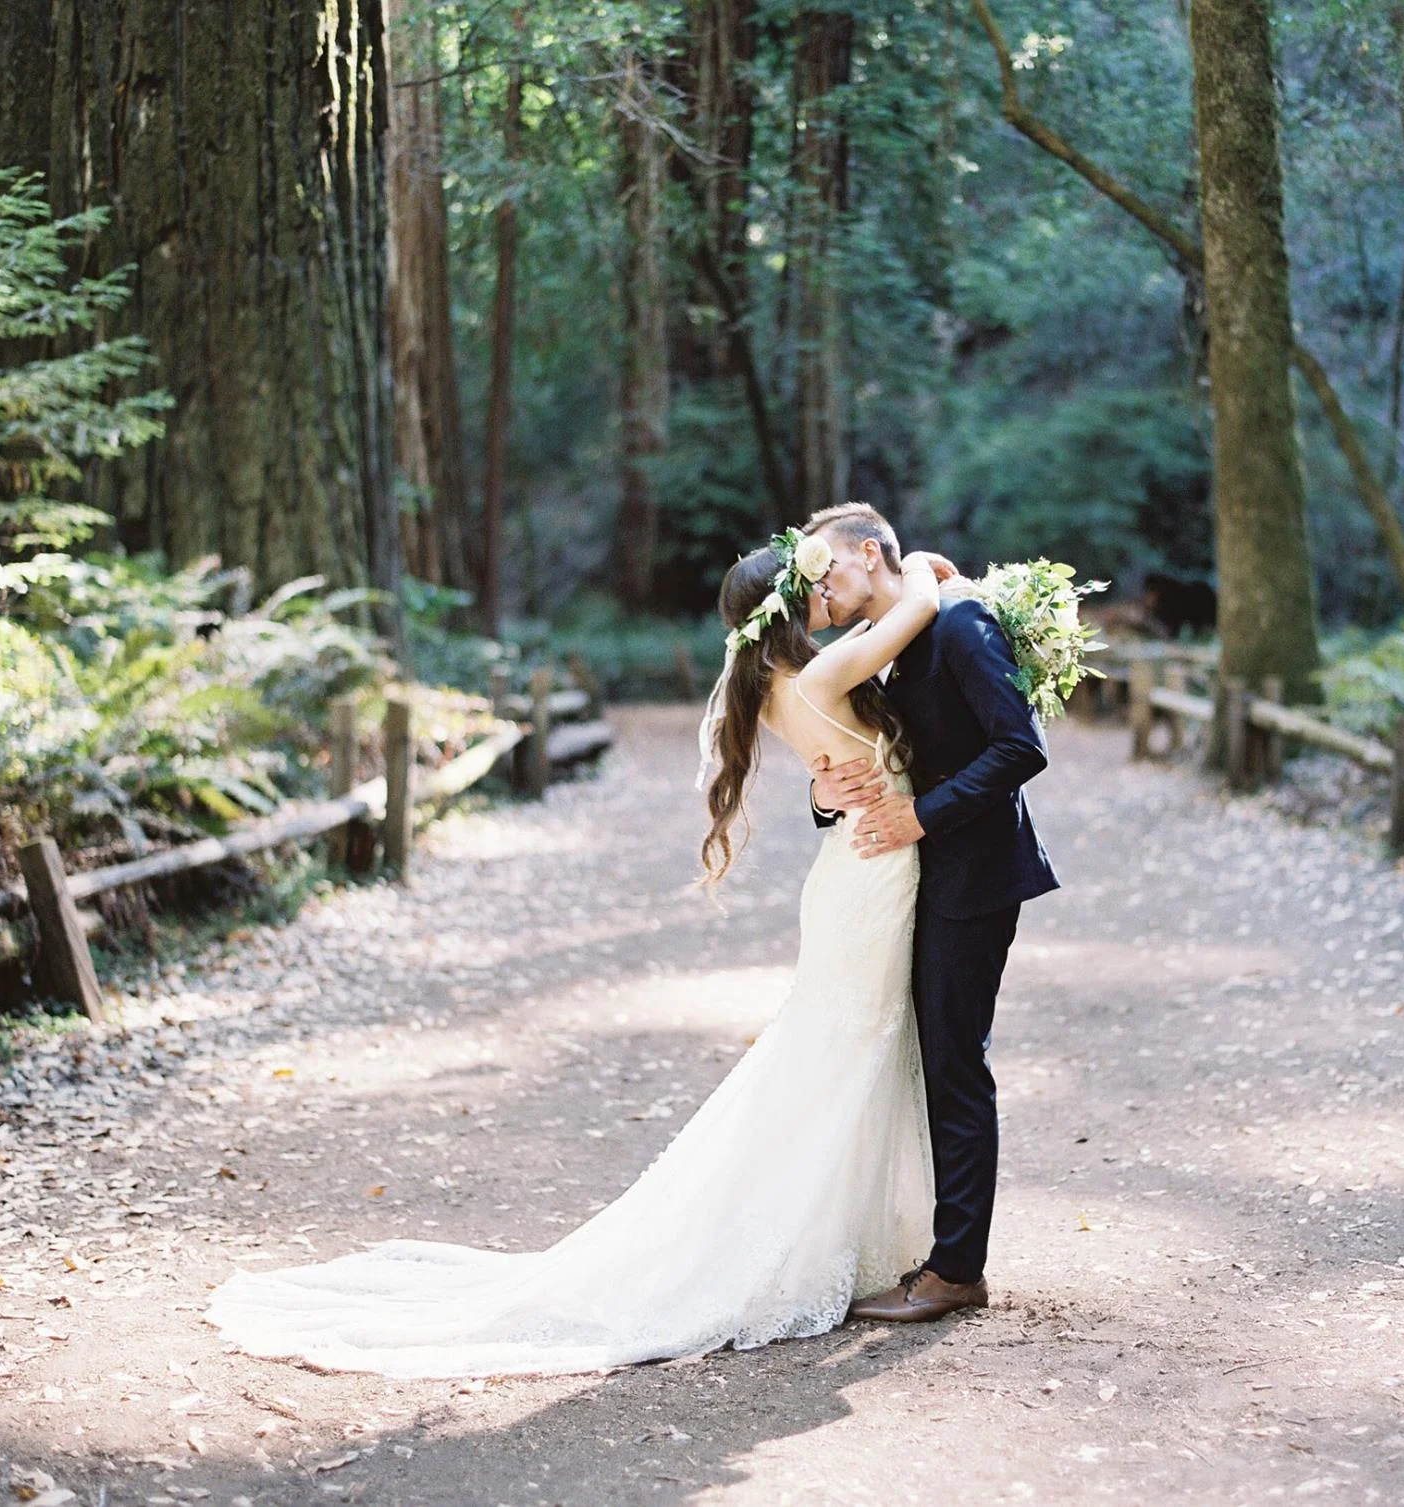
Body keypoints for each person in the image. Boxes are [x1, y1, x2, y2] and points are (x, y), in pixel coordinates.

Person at [204, 534, 955, 1377]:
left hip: (862, 871)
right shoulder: (819, 675)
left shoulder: (781, 681)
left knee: (844, 1052)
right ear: (788, 608)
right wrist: (923, 565)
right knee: (849, 1049)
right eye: (813, 586)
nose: (830, 594)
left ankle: (840, 1235)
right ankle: (803, 1243)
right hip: (869, 876)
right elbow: (918, 605)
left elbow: (863, 689)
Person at [802, 503, 1058, 1324]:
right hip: (914, 881)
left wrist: (923, 815)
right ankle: (935, 1247)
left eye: (828, 568)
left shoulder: (959, 623)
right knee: (925, 1059)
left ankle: (956, 1271)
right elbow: (871, 757)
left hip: (975, 876)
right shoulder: (885, 643)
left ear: (870, 553)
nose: (819, 587)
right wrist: (825, 794)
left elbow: (1020, 746)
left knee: (955, 1063)